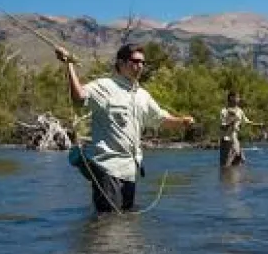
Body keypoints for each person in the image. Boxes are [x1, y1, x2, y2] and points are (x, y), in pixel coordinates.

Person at [55, 43, 195, 213]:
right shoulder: (105, 86)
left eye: (143, 62)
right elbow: (78, 98)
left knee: (125, 221)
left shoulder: (143, 96)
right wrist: (68, 65)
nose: (140, 66)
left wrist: (181, 121)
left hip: (130, 170)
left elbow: (160, 119)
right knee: (107, 224)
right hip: (107, 167)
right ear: (121, 63)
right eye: (135, 61)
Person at [219, 91, 262, 167]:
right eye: (237, 97)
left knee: (240, 160)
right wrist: (231, 122)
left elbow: (246, 121)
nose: (239, 99)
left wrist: (257, 124)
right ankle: (226, 177)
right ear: (231, 98)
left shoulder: (239, 111)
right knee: (226, 164)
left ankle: (236, 177)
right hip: (226, 140)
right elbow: (222, 127)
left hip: (235, 139)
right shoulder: (224, 111)